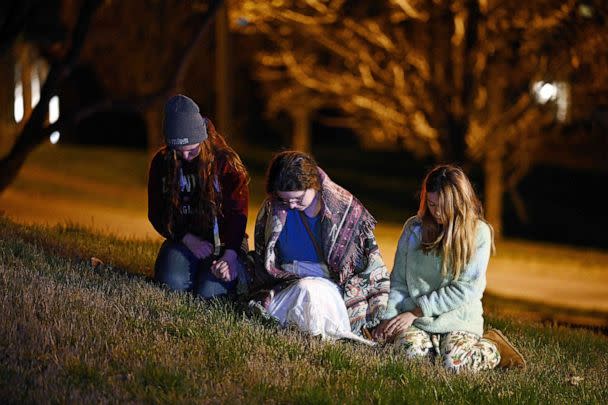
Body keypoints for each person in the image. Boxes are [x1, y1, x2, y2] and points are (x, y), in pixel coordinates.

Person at [373, 164, 526, 372]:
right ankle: (433, 350)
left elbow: (465, 289)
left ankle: (493, 347)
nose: (436, 212)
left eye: (442, 206)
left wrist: (417, 312)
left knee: (454, 364)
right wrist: (388, 319)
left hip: (456, 318)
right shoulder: (413, 229)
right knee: (410, 354)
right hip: (417, 320)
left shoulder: (479, 233)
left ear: (459, 202)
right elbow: (399, 281)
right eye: (431, 204)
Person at [249, 150, 390, 344]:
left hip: (330, 287)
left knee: (310, 292)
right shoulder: (271, 209)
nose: (290, 205)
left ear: (313, 186)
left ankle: (315, 337)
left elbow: (368, 264)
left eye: (298, 199)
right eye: (284, 199)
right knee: (301, 292)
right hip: (286, 283)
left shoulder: (343, 208)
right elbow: (264, 256)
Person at [148, 94, 249, 299]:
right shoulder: (162, 162)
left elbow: (238, 214)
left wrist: (230, 255)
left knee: (209, 294)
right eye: (178, 151)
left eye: (191, 151)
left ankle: (238, 272)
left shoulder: (225, 163)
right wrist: (186, 238)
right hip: (183, 239)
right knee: (171, 284)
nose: (185, 157)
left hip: (226, 243)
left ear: (202, 139)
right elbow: (157, 212)